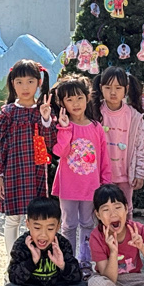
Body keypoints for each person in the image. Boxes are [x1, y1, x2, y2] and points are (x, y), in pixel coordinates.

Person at [0, 59, 54, 254]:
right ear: (12, 83)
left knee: (35, 219)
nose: (25, 87)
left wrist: (46, 119)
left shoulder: (43, 111)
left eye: (30, 81)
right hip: (13, 172)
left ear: (39, 83)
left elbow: (51, 143)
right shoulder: (8, 113)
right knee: (12, 219)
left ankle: (34, 258)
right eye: (19, 82)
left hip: (37, 173)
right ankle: (13, 261)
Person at [49, 75, 110, 273]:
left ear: (87, 98)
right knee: (68, 225)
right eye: (69, 99)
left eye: (79, 98)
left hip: (91, 188)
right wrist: (65, 129)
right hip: (68, 187)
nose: (75, 104)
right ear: (62, 103)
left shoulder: (96, 127)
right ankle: (67, 261)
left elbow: (104, 158)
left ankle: (85, 261)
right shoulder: (62, 126)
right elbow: (60, 152)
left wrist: (105, 183)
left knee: (87, 224)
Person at [2, 197, 89, 286]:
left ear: (58, 226)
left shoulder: (62, 244)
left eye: (50, 228)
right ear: (28, 224)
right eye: (37, 227)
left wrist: (62, 265)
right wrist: (31, 262)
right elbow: (14, 277)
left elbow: (77, 277)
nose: (43, 235)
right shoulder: (21, 245)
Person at [92, 67, 144, 213]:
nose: (113, 92)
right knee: (101, 210)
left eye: (118, 88)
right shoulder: (95, 113)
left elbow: (140, 146)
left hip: (125, 175)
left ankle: (127, 229)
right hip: (100, 175)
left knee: (124, 209)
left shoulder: (134, 116)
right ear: (101, 87)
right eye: (108, 87)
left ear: (126, 89)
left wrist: (140, 172)